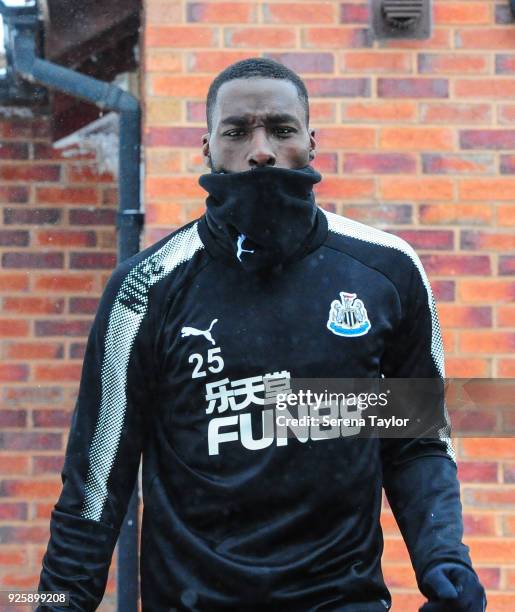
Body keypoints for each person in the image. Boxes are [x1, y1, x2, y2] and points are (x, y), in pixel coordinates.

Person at [37, 57, 487, 611]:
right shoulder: (145, 289)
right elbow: (95, 485)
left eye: (280, 129)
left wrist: (443, 557)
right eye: (237, 131)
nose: (261, 150)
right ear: (206, 147)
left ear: (311, 142)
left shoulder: (385, 273)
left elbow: (415, 441)